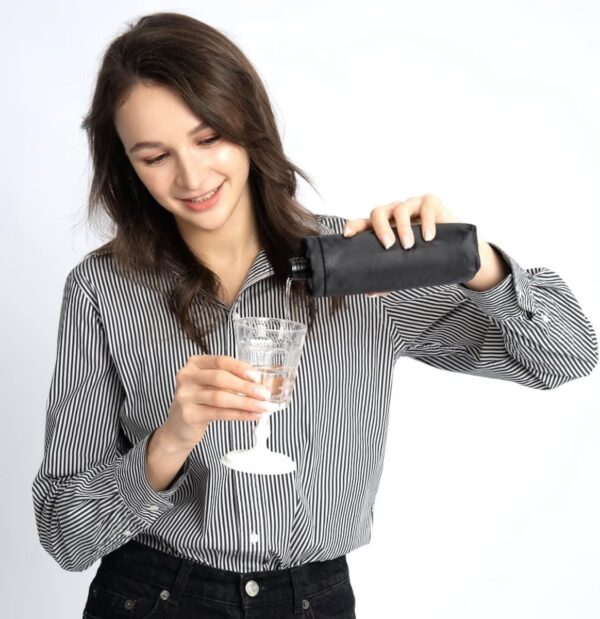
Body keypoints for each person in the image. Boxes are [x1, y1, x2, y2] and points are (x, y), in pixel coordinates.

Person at [31, 11, 598, 619]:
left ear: (249, 125)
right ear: (126, 165)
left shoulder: (363, 270)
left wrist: (474, 259)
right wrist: (167, 443)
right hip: (149, 596)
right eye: (153, 156)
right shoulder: (102, 288)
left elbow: (568, 356)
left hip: (311, 601)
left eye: (207, 138)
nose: (191, 177)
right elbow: (64, 535)